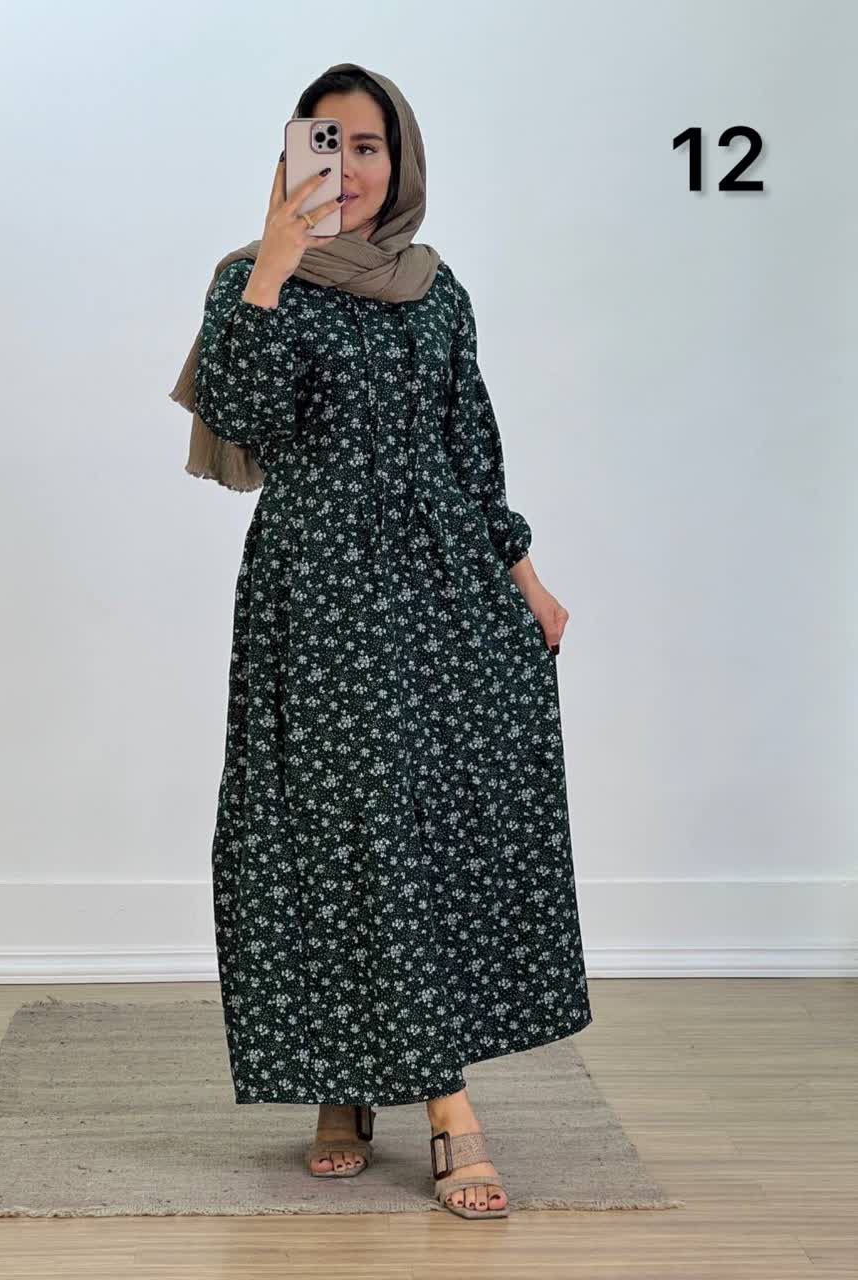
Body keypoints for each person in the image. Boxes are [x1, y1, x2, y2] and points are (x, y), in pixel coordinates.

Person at [168, 62, 593, 1221]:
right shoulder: (250, 281)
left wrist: (524, 575)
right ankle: (437, 1103)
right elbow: (241, 417)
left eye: (367, 146)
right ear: (289, 157)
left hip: (440, 584)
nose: (348, 167)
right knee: (342, 828)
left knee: (423, 826)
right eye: (325, 143)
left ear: (397, 160)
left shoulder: (434, 289)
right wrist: (269, 267)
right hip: (320, 590)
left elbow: (470, 444)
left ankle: (353, 1083)